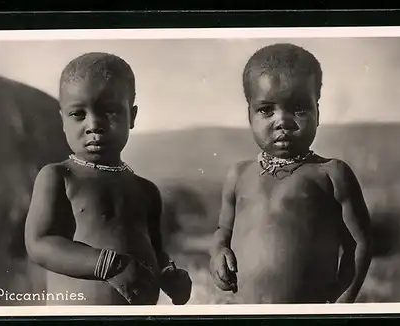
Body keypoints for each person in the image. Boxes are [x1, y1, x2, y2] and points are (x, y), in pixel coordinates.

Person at [209, 43, 372, 304]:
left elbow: (360, 245)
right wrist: (218, 251)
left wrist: (343, 302)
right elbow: (223, 229)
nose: (282, 121)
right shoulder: (239, 174)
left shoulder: (330, 174)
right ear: (249, 115)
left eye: (299, 109)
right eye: (266, 110)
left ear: (318, 113)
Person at [24, 52, 192, 306]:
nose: (94, 125)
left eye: (110, 112)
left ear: (132, 117)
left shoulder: (146, 190)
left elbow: (155, 251)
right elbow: (40, 243)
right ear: (62, 121)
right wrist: (108, 266)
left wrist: (169, 274)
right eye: (78, 114)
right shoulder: (58, 176)